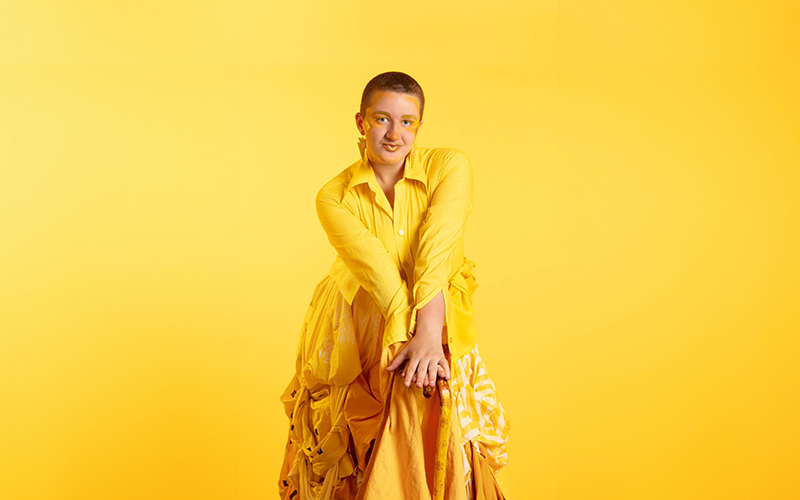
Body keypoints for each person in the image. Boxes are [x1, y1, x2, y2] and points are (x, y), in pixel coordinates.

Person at [278, 71, 509, 500]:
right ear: (361, 122)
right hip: (358, 324)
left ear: (419, 126)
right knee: (358, 440)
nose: (394, 134)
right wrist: (414, 338)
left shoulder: (449, 166)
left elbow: (437, 250)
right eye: (382, 119)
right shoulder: (333, 196)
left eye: (407, 122)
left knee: (443, 434)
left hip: (438, 316)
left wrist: (429, 335)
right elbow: (379, 273)